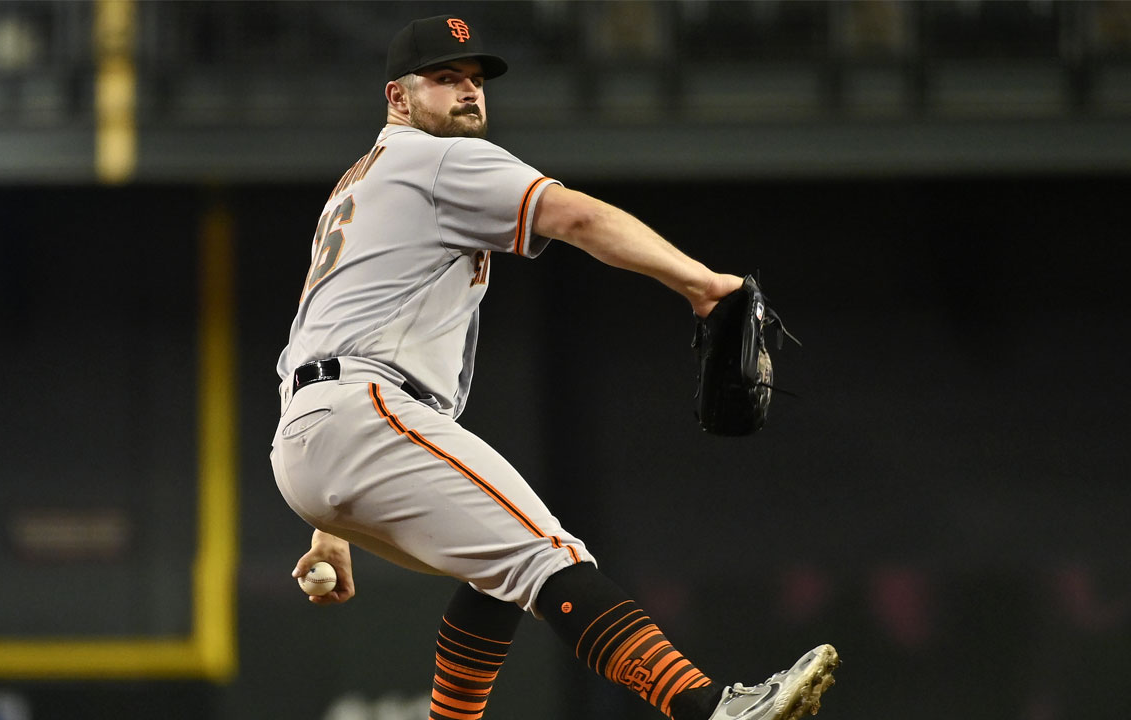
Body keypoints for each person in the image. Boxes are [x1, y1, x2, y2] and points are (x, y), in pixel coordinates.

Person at [271, 14, 838, 720]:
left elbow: (314, 339)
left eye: (475, 80)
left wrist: (329, 526)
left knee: (496, 574)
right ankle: (710, 709)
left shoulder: (360, 182)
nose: (468, 93)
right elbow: (577, 218)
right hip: (362, 414)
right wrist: (701, 283)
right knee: (547, 556)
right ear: (398, 98)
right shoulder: (438, 158)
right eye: (445, 80)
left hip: (317, 429)